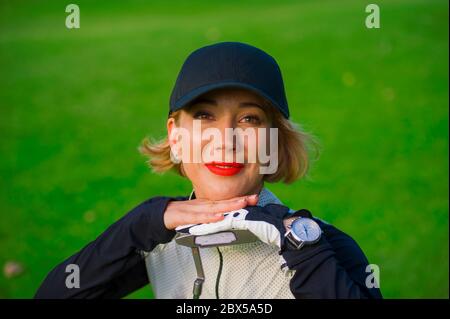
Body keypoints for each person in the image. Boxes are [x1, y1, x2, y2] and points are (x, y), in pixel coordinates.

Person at [35, 42, 382, 299]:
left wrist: (300, 246)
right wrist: (139, 224)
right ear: (176, 136)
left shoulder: (324, 247)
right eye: (204, 116)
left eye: (249, 119)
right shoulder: (157, 237)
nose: (226, 139)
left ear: (274, 144)